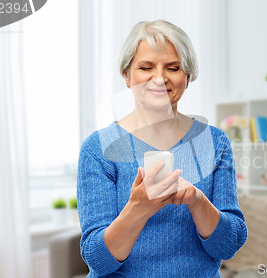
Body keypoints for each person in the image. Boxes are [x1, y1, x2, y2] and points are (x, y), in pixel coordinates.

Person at [76, 19, 248, 277]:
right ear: (127, 76)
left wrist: (198, 201)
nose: (159, 78)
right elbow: (98, 261)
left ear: (187, 77)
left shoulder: (215, 142)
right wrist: (138, 208)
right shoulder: (98, 148)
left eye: (173, 67)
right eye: (146, 67)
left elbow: (228, 245)